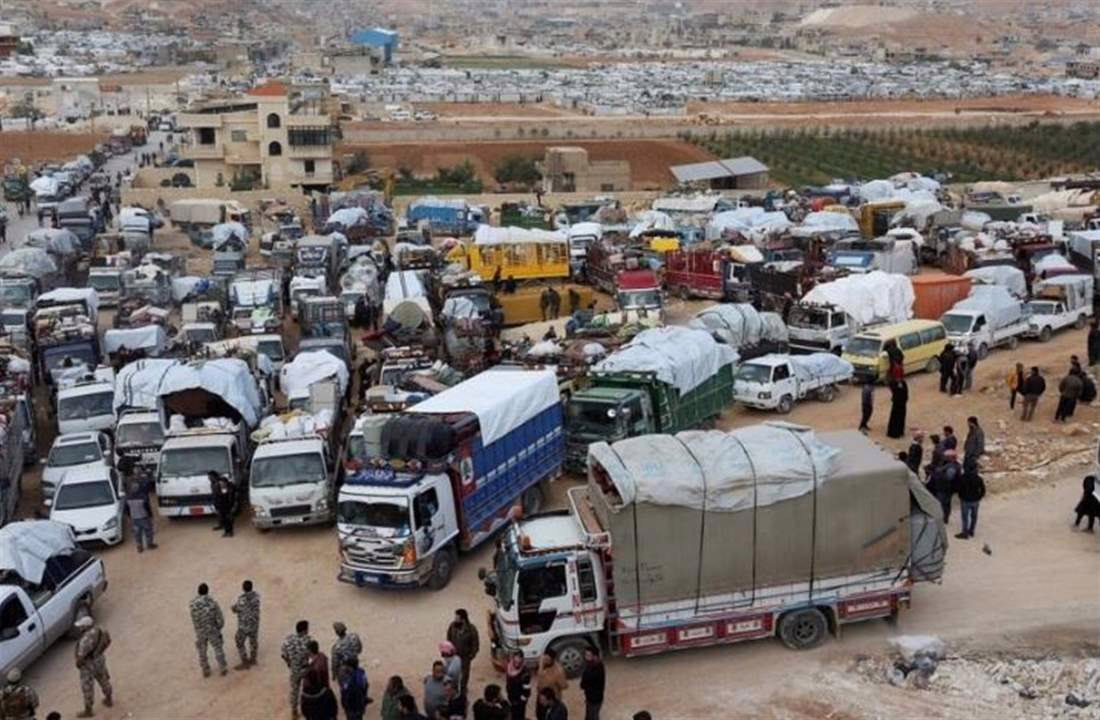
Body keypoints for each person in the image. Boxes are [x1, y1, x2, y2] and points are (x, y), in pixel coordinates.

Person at [73, 615, 113, 718]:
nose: (80, 627)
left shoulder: (85, 640)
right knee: (104, 679)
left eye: (81, 626)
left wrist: (78, 664)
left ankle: (88, 710)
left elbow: (80, 657)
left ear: (85, 626)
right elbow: (107, 640)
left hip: (88, 665)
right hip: (99, 660)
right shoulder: (99, 630)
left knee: (87, 687)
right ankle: (109, 699)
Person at [190, 583, 228, 677]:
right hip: (212, 630)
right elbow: (220, 619)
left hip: (200, 631)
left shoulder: (192, 604)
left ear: (198, 592)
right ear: (207, 591)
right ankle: (222, 668)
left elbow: (193, 619)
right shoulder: (212, 603)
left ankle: (205, 670)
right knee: (218, 648)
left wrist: (198, 629)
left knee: (202, 651)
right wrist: (218, 628)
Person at [283, 620, 315, 719]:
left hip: (294, 669)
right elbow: (313, 655)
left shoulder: (288, 639)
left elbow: (284, 655)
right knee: (310, 688)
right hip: (306, 669)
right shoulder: (309, 640)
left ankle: (294, 711)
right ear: (304, 630)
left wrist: (289, 663)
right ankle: (311, 710)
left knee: (294, 691)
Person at [446, 609, 480, 697]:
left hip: (465, 656)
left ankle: (463, 691)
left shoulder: (471, 629)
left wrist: (471, 655)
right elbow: (448, 638)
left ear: (463, 619)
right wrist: (449, 650)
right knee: (454, 673)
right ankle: (455, 689)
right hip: (454, 656)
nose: (455, 619)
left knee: (464, 675)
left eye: (457, 618)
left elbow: (475, 643)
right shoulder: (452, 626)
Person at [301, 641, 337, 720]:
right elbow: (333, 710)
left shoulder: (307, 694)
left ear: (309, 650)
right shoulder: (321, 657)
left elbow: (304, 710)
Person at [231, 579, 261, 669]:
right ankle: (253, 659)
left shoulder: (242, 599)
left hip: (244, 625)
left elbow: (236, 609)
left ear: (243, 588)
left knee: (239, 641)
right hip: (254, 623)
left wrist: (233, 608)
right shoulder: (256, 597)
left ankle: (245, 662)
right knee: (253, 641)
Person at [125, 469, 157, 552]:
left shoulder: (127, 498)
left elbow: (127, 509)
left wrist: (129, 517)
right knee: (148, 530)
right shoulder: (143, 497)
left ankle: (139, 546)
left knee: (137, 533)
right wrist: (151, 516)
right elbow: (147, 508)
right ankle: (149, 544)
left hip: (134, 518)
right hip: (144, 517)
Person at [927, 449, 961, 525]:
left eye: (946, 456)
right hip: (947, 488)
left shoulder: (951, 467)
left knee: (941, 504)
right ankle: (945, 518)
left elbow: (948, 478)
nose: (944, 458)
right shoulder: (952, 465)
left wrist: (937, 474)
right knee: (946, 504)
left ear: (950, 457)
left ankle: (942, 519)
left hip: (945, 488)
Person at [956, 461, 986, 539]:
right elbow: (983, 490)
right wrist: (979, 497)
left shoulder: (963, 477)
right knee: (974, 517)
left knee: (965, 518)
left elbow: (959, 488)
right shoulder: (978, 478)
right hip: (975, 500)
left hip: (965, 500)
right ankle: (971, 531)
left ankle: (965, 533)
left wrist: (961, 496)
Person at [504, 650, 531, 720]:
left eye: (519, 659)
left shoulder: (525, 673)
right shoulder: (509, 667)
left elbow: (527, 692)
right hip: (511, 698)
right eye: (516, 660)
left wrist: (520, 703)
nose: (517, 663)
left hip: (519, 702)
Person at [580, 646, 606, 720]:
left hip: (594, 699)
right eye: (585, 654)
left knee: (593, 716)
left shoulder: (595, 669)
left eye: (588, 655)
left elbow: (584, 683)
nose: (585, 657)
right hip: (591, 697)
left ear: (595, 656)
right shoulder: (594, 665)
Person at [209, 471, 235, 537]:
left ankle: (230, 532)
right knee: (223, 518)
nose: (209, 478)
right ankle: (226, 531)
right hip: (219, 504)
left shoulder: (222, 484)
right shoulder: (213, 484)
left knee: (227, 518)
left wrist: (229, 504)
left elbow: (226, 494)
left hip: (225, 504)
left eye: (210, 477)